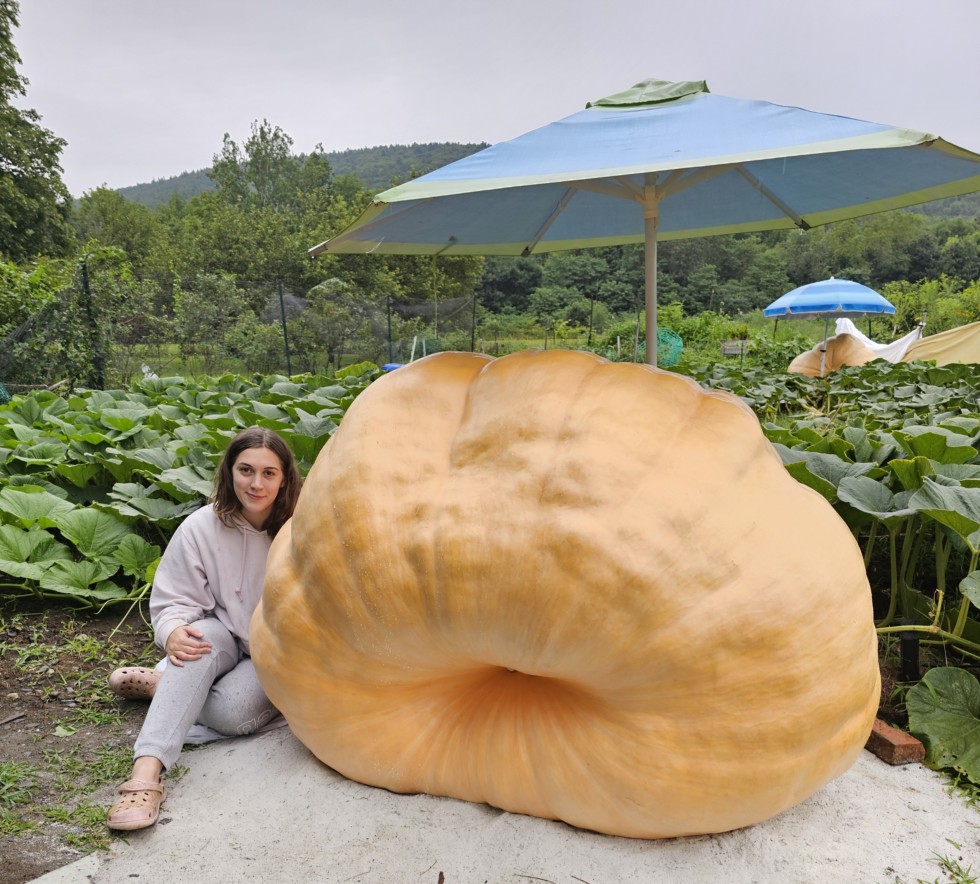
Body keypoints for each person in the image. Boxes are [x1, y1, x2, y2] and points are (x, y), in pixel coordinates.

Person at [105, 427, 301, 831]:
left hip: (277, 650)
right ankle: (145, 776)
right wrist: (173, 629)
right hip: (220, 633)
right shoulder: (200, 527)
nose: (256, 483)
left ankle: (168, 688)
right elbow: (173, 600)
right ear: (229, 471)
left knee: (232, 714)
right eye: (245, 470)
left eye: (268, 473)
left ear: (284, 479)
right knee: (195, 640)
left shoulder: (302, 528)